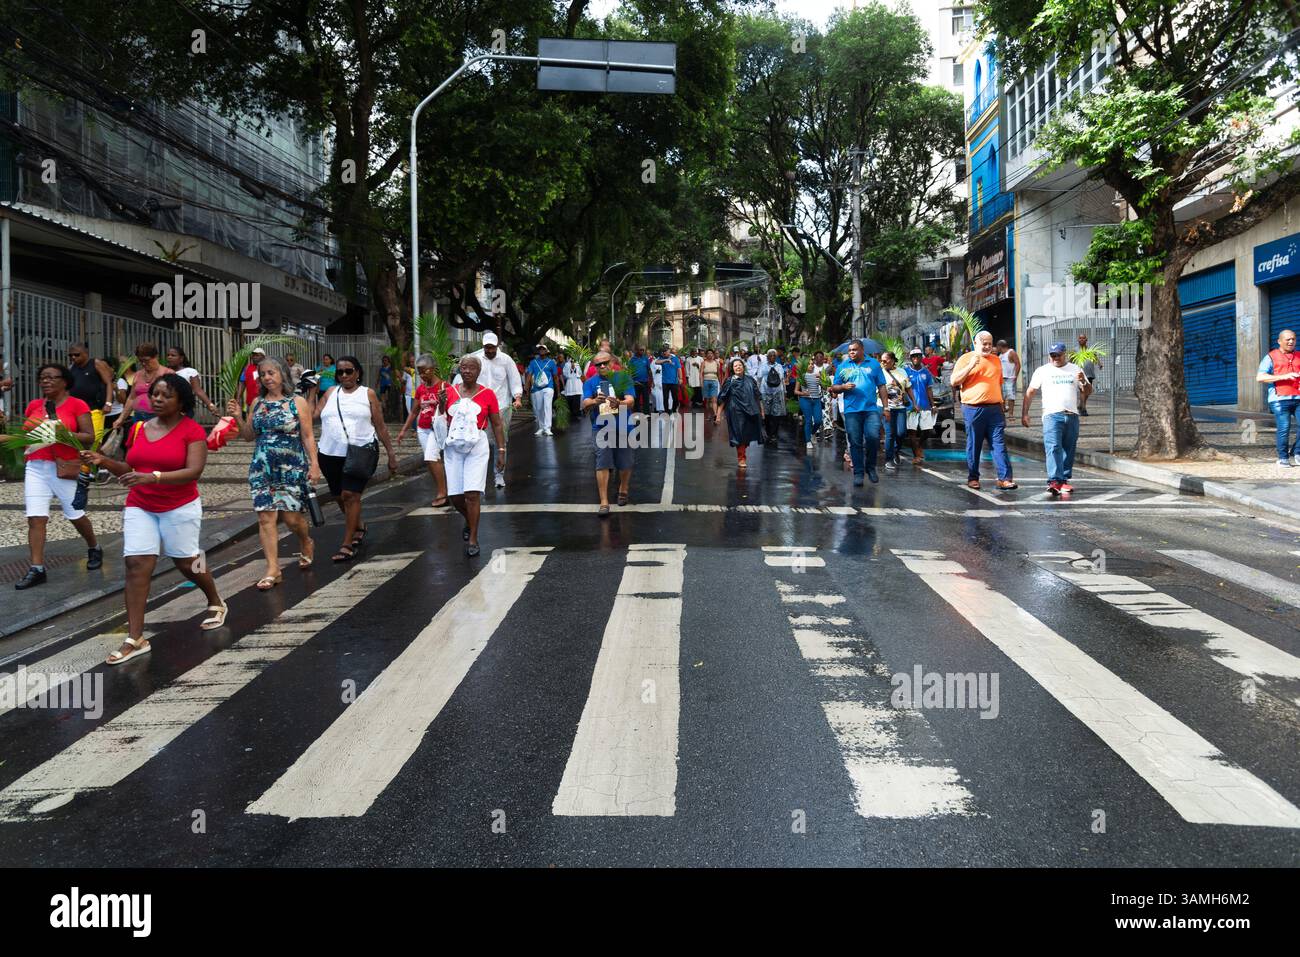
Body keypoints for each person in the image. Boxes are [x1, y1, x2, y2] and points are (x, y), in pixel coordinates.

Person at [82, 373, 227, 663]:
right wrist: (105, 462)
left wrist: (153, 478)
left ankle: (215, 599)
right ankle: (135, 637)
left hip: (180, 505)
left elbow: (194, 471)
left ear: (181, 402)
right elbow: (130, 467)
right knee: (136, 564)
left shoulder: (192, 431)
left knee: (187, 561)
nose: (158, 399)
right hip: (140, 505)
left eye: (166, 395)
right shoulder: (138, 428)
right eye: (155, 394)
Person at [226, 355, 323, 587]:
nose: (267, 377)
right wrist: (238, 417)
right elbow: (249, 435)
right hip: (262, 466)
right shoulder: (257, 403)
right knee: (265, 517)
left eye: (271, 372)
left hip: (291, 467)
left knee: (291, 518)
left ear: (282, 374)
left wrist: (315, 464)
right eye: (263, 374)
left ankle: (305, 540)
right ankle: (273, 568)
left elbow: (308, 435)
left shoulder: (296, 402)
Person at [12, 364, 103, 589]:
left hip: (64, 467)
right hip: (36, 466)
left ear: (65, 381)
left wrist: (63, 434)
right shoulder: (34, 405)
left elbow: (89, 438)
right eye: (42, 377)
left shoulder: (77, 404)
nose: (46, 381)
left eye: (52, 377)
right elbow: (28, 435)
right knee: (35, 517)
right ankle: (37, 568)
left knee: (75, 514)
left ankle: (94, 546)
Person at [315, 356, 399, 562]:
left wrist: (391, 454)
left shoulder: (367, 394)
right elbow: (312, 416)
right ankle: (359, 526)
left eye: (349, 371)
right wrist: (310, 392)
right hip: (329, 453)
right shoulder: (330, 393)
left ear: (358, 373)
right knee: (338, 496)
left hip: (361, 452)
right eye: (340, 372)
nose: (344, 375)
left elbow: (380, 426)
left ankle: (347, 543)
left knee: (350, 495)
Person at [443, 355, 504, 556]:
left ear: (478, 372)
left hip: (477, 444)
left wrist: (501, 451)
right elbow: (443, 420)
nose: (467, 371)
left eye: (471, 368)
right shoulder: (450, 392)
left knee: (472, 493)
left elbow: (496, 424)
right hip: (454, 445)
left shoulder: (487, 394)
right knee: (455, 496)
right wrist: (440, 405)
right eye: (463, 367)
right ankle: (470, 520)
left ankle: (473, 538)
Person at [951, 331, 1017, 490]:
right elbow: (954, 381)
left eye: (990, 343)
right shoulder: (965, 359)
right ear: (976, 343)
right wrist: (970, 366)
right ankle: (973, 477)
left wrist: (1003, 406)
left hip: (995, 410)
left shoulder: (996, 360)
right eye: (984, 344)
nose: (988, 347)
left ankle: (1005, 478)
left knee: (999, 444)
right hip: (973, 409)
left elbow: (998, 384)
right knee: (974, 444)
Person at [1022, 342, 1089, 495]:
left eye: (1058, 355)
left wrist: (1084, 381)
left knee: (1068, 448)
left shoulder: (1075, 369)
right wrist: (1025, 413)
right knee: (1053, 447)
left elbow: (1088, 390)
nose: (1055, 358)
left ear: (1065, 354)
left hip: (1071, 415)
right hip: (1051, 415)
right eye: (1053, 355)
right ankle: (1054, 480)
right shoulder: (1042, 371)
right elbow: (1030, 391)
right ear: (1049, 356)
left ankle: (1064, 480)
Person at [461, 332, 522, 489]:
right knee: (478, 440)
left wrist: (517, 397)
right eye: (486, 348)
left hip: (501, 405)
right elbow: (463, 377)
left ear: (497, 346)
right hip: (479, 406)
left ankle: (499, 475)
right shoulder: (475, 359)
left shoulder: (506, 360)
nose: (489, 351)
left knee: (500, 442)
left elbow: (515, 379)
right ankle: (476, 476)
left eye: (492, 348)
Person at [581, 352, 636, 515]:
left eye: (605, 362)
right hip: (601, 428)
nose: (602, 366)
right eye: (598, 364)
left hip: (623, 426)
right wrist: (593, 401)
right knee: (602, 462)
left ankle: (623, 488)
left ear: (612, 362)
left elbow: (631, 400)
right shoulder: (591, 383)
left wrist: (619, 402)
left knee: (625, 462)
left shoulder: (623, 378)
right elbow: (585, 402)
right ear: (595, 367)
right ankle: (604, 501)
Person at [829, 340, 889, 485]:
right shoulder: (843, 366)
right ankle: (858, 473)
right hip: (851, 411)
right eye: (849, 350)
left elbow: (881, 386)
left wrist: (886, 408)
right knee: (855, 442)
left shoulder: (874, 364)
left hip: (870, 409)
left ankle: (871, 468)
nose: (851, 352)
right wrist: (843, 387)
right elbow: (833, 388)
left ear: (862, 350)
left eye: (854, 350)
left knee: (873, 438)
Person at [396, 354, 450, 506]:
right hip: (423, 428)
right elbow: (414, 411)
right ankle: (442, 489)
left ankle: (442, 493)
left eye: (423, 371)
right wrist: (403, 430)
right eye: (419, 371)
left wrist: (442, 402)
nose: (420, 374)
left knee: (431, 457)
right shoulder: (420, 389)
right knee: (430, 460)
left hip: (437, 429)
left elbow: (451, 410)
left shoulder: (444, 386)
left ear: (432, 369)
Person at [1257, 328, 1300, 467]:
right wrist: (1284, 376)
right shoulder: (1271, 356)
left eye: (1293, 339)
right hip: (1279, 399)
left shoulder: (1299, 355)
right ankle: (1283, 458)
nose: (1291, 341)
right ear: (1279, 341)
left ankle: (1297, 452)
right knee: (1284, 428)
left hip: (1298, 397)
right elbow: (1260, 377)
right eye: (1288, 339)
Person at [717, 356, 764, 467]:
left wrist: (762, 410)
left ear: (743, 367)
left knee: (746, 434)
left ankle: (743, 452)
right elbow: (722, 399)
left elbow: (758, 396)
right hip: (735, 412)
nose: (738, 367)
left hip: (751, 410)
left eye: (740, 365)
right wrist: (718, 415)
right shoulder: (729, 381)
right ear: (732, 369)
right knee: (739, 434)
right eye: (735, 366)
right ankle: (741, 458)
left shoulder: (750, 380)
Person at [113, 342, 166, 437]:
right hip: (138, 417)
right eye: (140, 361)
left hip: (159, 417)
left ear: (156, 357)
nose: (143, 363)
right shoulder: (138, 374)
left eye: (146, 360)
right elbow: (131, 398)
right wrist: (121, 419)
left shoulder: (167, 373)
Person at [66, 343, 114, 445]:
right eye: (70, 355)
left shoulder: (96, 363)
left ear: (85, 353)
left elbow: (108, 382)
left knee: (94, 441)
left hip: (94, 409)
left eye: (76, 354)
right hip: (77, 411)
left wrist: (108, 403)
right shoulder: (72, 368)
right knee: (79, 442)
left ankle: (98, 459)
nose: (73, 357)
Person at [879, 351, 916, 471]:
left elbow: (908, 387)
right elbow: (877, 389)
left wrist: (914, 403)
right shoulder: (880, 372)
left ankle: (896, 450)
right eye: (882, 360)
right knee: (890, 433)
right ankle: (889, 460)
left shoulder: (902, 371)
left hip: (900, 407)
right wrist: (889, 387)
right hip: (886, 407)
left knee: (901, 433)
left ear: (893, 360)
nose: (883, 362)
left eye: (885, 360)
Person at [165, 345, 220, 418]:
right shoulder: (164, 372)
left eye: (173, 355)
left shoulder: (190, 372)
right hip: (167, 409)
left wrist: (210, 405)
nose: (169, 357)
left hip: (184, 410)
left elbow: (198, 391)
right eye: (168, 355)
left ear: (181, 358)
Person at [903, 348, 937, 464]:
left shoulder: (926, 372)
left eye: (918, 356)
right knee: (912, 431)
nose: (915, 358)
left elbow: (929, 389)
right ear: (910, 358)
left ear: (921, 357)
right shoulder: (906, 371)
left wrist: (933, 405)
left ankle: (918, 445)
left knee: (927, 430)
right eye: (913, 356)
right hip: (911, 407)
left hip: (925, 405)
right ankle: (916, 455)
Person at [794, 352, 826, 450]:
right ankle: (808, 441)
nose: (811, 365)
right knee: (808, 420)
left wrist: (822, 379)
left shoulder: (817, 375)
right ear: (805, 366)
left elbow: (824, 387)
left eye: (812, 364)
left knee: (818, 420)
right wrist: (803, 393)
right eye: (809, 364)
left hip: (816, 400)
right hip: (805, 400)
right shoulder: (801, 376)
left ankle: (812, 434)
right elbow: (795, 391)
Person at [525, 344, 558, 436]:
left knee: (547, 406)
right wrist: (526, 387)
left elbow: (555, 377)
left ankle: (547, 428)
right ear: (538, 351)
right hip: (536, 388)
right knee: (539, 408)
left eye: (543, 349)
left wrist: (558, 391)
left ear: (546, 351)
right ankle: (541, 427)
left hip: (548, 387)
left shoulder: (551, 362)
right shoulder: (533, 362)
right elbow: (529, 375)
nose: (541, 350)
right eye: (540, 349)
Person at [757, 349, 786, 447]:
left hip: (777, 392)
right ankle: (769, 432)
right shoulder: (763, 366)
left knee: (776, 414)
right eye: (771, 355)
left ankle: (774, 434)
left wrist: (784, 392)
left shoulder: (779, 367)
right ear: (767, 357)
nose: (773, 357)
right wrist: (757, 392)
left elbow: (782, 380)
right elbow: (759, 378)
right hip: (765, 392)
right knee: (767, 413)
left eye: (774, 356)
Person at [1076, 334, 1100, 415]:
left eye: (1083, 338)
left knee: (1088, 391)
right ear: (1078, 340)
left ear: (1086, 339)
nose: (1082, 339)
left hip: (1089, 373)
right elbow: (1070, 360)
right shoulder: (1075, 350)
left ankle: (1080, 405)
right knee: (1083, 390)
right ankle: (1083, 409)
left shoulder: (1090, 349)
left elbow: (1095, 357)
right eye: (1080, 338)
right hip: (1080, 374)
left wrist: (1099, 364)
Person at [997, 339, 1021, 417]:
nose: (997, 349)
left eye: (997, 347)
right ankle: (1003, 411)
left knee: (1011, 397)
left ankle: (1011, 414)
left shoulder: (1011, 352)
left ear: (1000, 346)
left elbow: (1018, 364)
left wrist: (1015, 376)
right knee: (1002, 397)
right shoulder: (1000, 355)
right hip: (1002, 378)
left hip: (1010, 378)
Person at [657, 346, 682, 414]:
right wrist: (666, 360)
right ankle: (666, 411)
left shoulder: (675, 358)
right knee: (665, 397)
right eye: (663, 351)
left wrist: (681, 378)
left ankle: (674, 409)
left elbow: (679, 369)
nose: (664, 353)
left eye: (666, 351)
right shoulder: (662, 358)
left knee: (675, 398)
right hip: (664, 381)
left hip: (674, 381)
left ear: (669, 352)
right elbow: (656, 362)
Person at [629, 345, 653, 415]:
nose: (642, 351)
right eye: (641, 350)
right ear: (637, 350)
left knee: (646, 399)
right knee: (636, 399)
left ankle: (647, 414)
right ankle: (636, 413)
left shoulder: (646, 359)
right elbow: (630, 371)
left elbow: (649, 370)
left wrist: (651, 380)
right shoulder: (633, 360)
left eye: (643, 350)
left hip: (645, 382)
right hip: (636, 382)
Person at [561, 350, 584, 418]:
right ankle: (571, 412)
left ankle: (576, 413)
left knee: (577, 399)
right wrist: (571, 369)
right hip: (570, 383)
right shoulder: (566, 364)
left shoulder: (578, 364)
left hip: (577, 384)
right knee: (570, 399)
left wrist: (575, 369)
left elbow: (580, 373)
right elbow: (565, 374)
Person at [700, 348, 721, 418]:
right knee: (707, 400)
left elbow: (719, 374)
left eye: (711, 353)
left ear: (713, 355)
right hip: (706, 381)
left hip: (714, 381)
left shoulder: (716, 363)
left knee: (714, 399)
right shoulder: (703, 363)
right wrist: (701, 382)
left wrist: (720, 383)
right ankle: (708, 414)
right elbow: (701, 373)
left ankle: (715, 414)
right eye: (708, 353)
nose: (710, 354)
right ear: (706, 355)